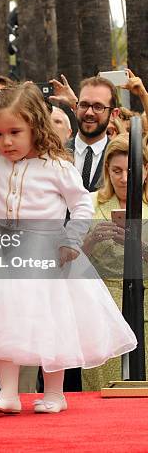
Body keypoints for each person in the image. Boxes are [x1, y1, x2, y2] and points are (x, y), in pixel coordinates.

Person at [0, 84, 137, 415]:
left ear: (36, 127)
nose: (7, 142)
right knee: (3, 318)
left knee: (50, 321)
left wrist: (71, 238)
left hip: (48, 253)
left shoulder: (55, 166)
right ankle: (9, 393)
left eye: (15, 132)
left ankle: (55, 393)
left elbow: (82, 203)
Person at [82, 134, 148, 390]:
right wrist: (90, 242)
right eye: (116, 171)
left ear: (145, 171)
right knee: (100, 383)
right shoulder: (88, 203)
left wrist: (139, 248)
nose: (123, 178)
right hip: (101, 301)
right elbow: (67, 261)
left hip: (143, 301)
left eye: (130, 171)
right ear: (107, 170)